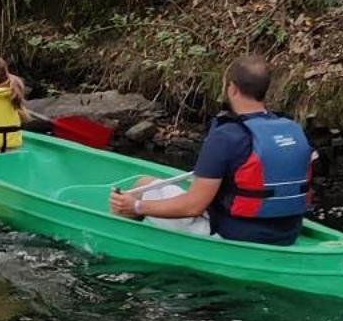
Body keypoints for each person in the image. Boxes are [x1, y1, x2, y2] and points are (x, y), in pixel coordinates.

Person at [108, 56, 314, 244]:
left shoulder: (225, 136)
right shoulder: (292, 129)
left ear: (232, 89)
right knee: (147, 185)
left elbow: (193, 206)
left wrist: (135, 207)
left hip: (234, 235)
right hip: (288, 232)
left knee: (143, 187)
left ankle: (121, 243)